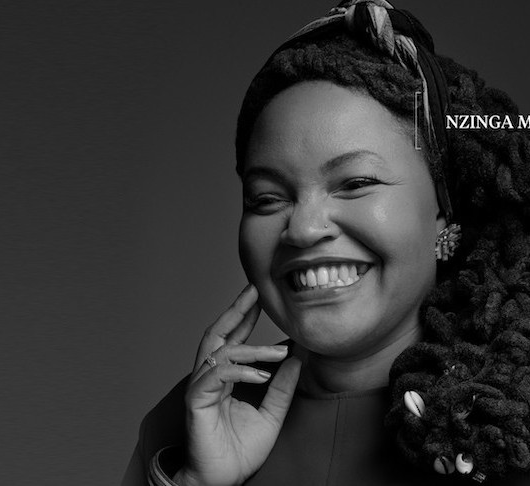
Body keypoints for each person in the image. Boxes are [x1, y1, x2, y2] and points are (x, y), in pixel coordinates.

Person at [123, 1, 530, 485]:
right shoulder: (187, 423)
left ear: (445, 211)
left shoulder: (504, 428)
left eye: (355, 183)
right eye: (267, 198)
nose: (302, 229)